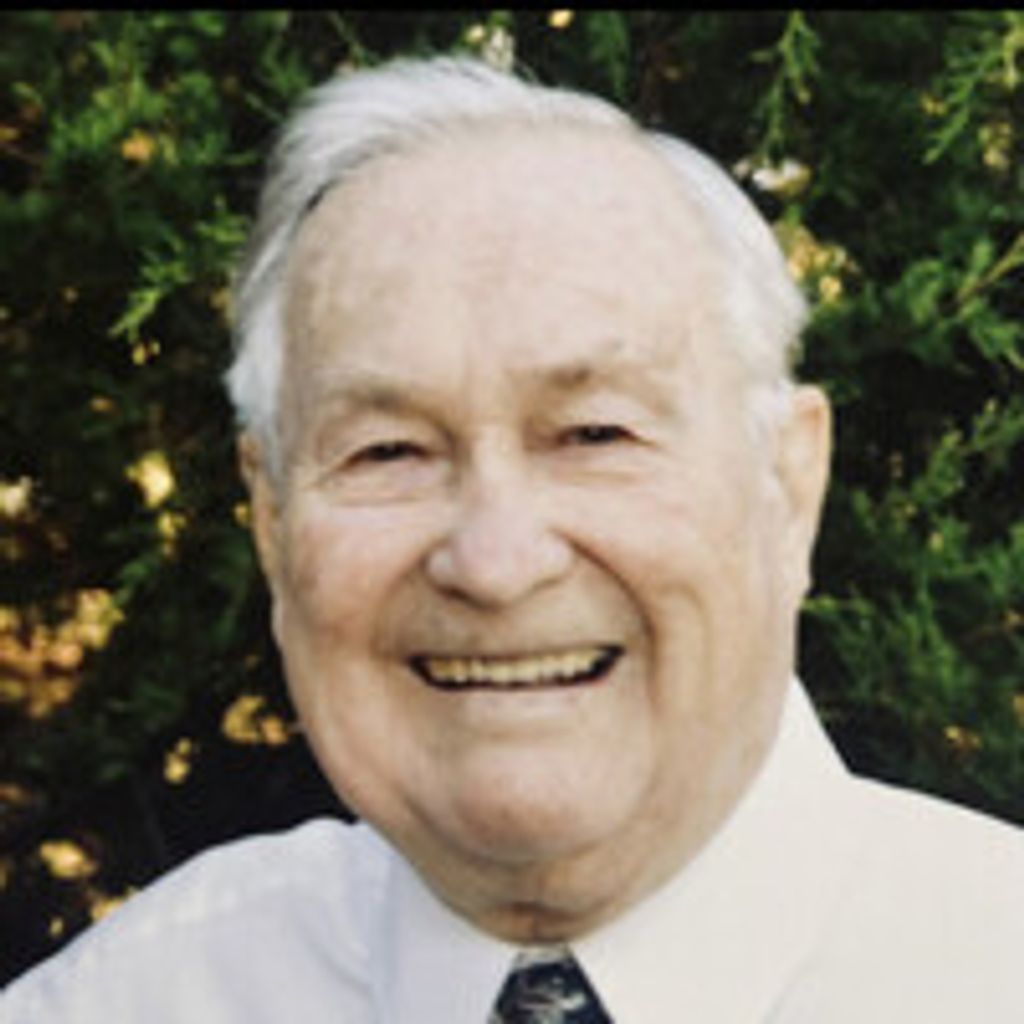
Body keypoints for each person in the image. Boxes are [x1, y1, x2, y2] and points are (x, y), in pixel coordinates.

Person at [3, 55, 1022, 1024]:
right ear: (272, 525)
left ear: (788, 488)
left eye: (594, 434)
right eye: (388, 451)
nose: (494, 562)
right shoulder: (128, 1001)